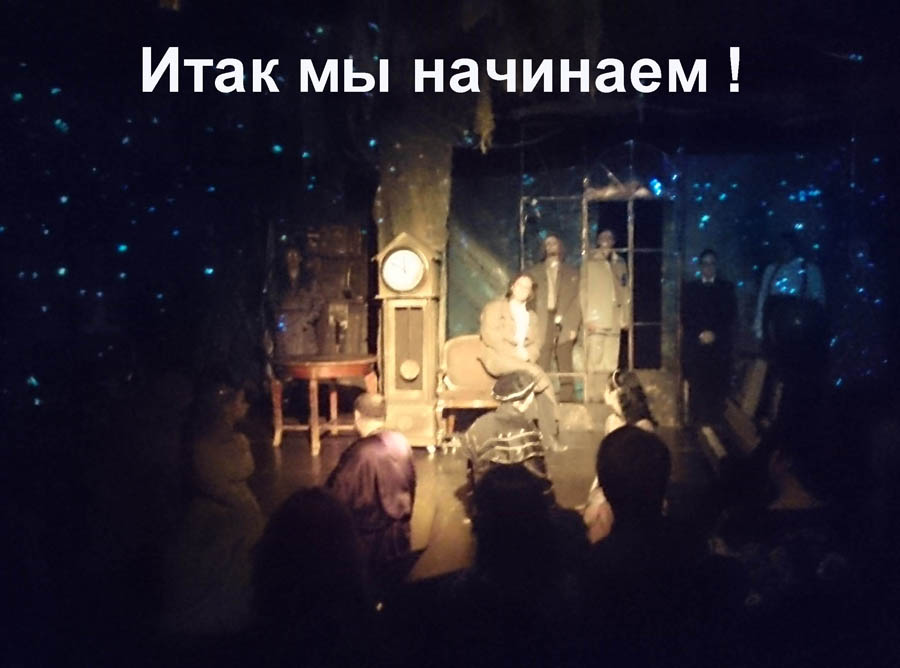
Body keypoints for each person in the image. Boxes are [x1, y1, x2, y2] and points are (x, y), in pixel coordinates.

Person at [326, 392, 416, 582]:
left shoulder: (361, 452)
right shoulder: (401, 441)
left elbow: (337, 496)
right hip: (400, 537)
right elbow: (411, 483)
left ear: (357, 416)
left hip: (371, 544)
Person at [478, 273, 559, 448]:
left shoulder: (532, 317)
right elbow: (490, 336)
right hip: (498, 357)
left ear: (531, 292)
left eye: (527, 287)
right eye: (520, 285)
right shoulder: (495, 308)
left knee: (532, 383)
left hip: (523, 361)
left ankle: (545, 436)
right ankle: (549, 435)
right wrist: (515, 353)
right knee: (538, 376)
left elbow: (537, 344)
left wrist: (528, 355)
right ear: (512, 287)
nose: (523, 290)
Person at [752, 232, 827, 416]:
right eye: (780, 247)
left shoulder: (808, 270)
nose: (783, 251)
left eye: (787, 247)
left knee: (796, 375)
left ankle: (795, 412)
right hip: (774, 331)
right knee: (773, 371)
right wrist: (759, 328)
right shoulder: (772, 269)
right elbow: (763, 298)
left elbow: (819, 302)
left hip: (798, 333)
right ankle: (769, 412)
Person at [583, 369, 657, 543]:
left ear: (617, 392)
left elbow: (642, 473)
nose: (603, 392)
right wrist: (594, 490)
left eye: (607, 388)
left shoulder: (643, 427)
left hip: (633, 490)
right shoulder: (611, 420)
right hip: (611, 483)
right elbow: (606, 462)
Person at [461, 371, 553, 497]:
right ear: (525, 399)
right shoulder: (526, 428)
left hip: (485, 502)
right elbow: (538, 478)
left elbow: (471, 474)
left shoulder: (478, 424)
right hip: (518, 503)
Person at [681, 249, 737, 425]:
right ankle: (696, 422)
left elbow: (730, 315)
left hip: (718, 347)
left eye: (712, 263)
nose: (708, 267)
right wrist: (700, 333)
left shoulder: (726, 288)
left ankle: (715, 420)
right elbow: (686, 315)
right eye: (705, 264)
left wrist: (715, 334)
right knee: (697, 383)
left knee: (717, 384)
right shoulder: (690, 289)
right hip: (696, 346)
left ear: (716, 266)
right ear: (700, 266)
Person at [526, 235, 581, 402]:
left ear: (560, 246)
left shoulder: (572, 273)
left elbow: (578, 301)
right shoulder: (535, 272)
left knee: (564, 355)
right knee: (543, 355)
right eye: (547, 243)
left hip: (565, 319)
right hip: (543, 317)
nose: (551, 247)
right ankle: (542, 394)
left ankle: (567, 395)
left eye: (554, 243)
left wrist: (573, 326)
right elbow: (529, 300)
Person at [581, 228, 630, 400]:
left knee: (610, 360)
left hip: (614, 317)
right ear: (598, 240)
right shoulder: (590, 261)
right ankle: (591, 396)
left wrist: (625, 316)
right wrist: (587, 317)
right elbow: (583, 291)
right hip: (597, 317)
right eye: (603, 237)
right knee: (595, 359)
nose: (607, 240)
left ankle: (606, 395)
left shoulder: (620, 262)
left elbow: (625, 289)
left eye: (610, 237)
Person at [268, 246, 325, 359]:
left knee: (305, 360)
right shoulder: (278, 282)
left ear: (300, 258)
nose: (292, 259)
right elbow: (272, 302)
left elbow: (319, 302)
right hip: (286, 329)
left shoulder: (309, 281)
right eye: (289, 256)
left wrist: (308, 319)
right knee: (286, 360)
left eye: (295, 255)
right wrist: (280, 319)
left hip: (303, 329)